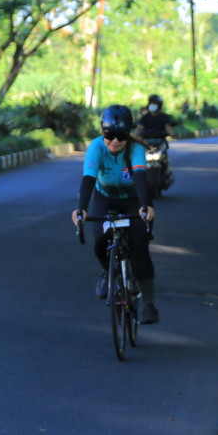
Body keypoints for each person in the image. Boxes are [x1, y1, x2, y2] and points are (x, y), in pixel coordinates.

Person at [71, 104, 159, 323]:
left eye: (121, 136)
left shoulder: (135, 149)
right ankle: (106, 272)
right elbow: (88, 178)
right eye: (109, 135)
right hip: (106, 199)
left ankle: (148, 304)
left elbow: (140, 178)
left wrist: (146, 205)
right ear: (103, 132)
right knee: (100, 243)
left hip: (132, 201)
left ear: (128, 134)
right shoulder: (96, 147)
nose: (115, 141)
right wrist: (81, 208)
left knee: (140, 250)